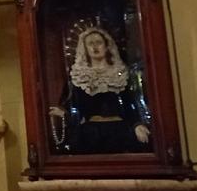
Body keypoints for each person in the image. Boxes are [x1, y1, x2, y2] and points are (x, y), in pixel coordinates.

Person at [49, 24, 151, 155]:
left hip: (120, 131)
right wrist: (64, 112)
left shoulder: (121, 73)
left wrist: (137, 124)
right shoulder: (78, 76)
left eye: (99, 42)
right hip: (91, 133)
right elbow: (73, 104)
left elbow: (131, 102)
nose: (95, 47)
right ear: (84, 48)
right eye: (90, 43)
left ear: (107, 46)